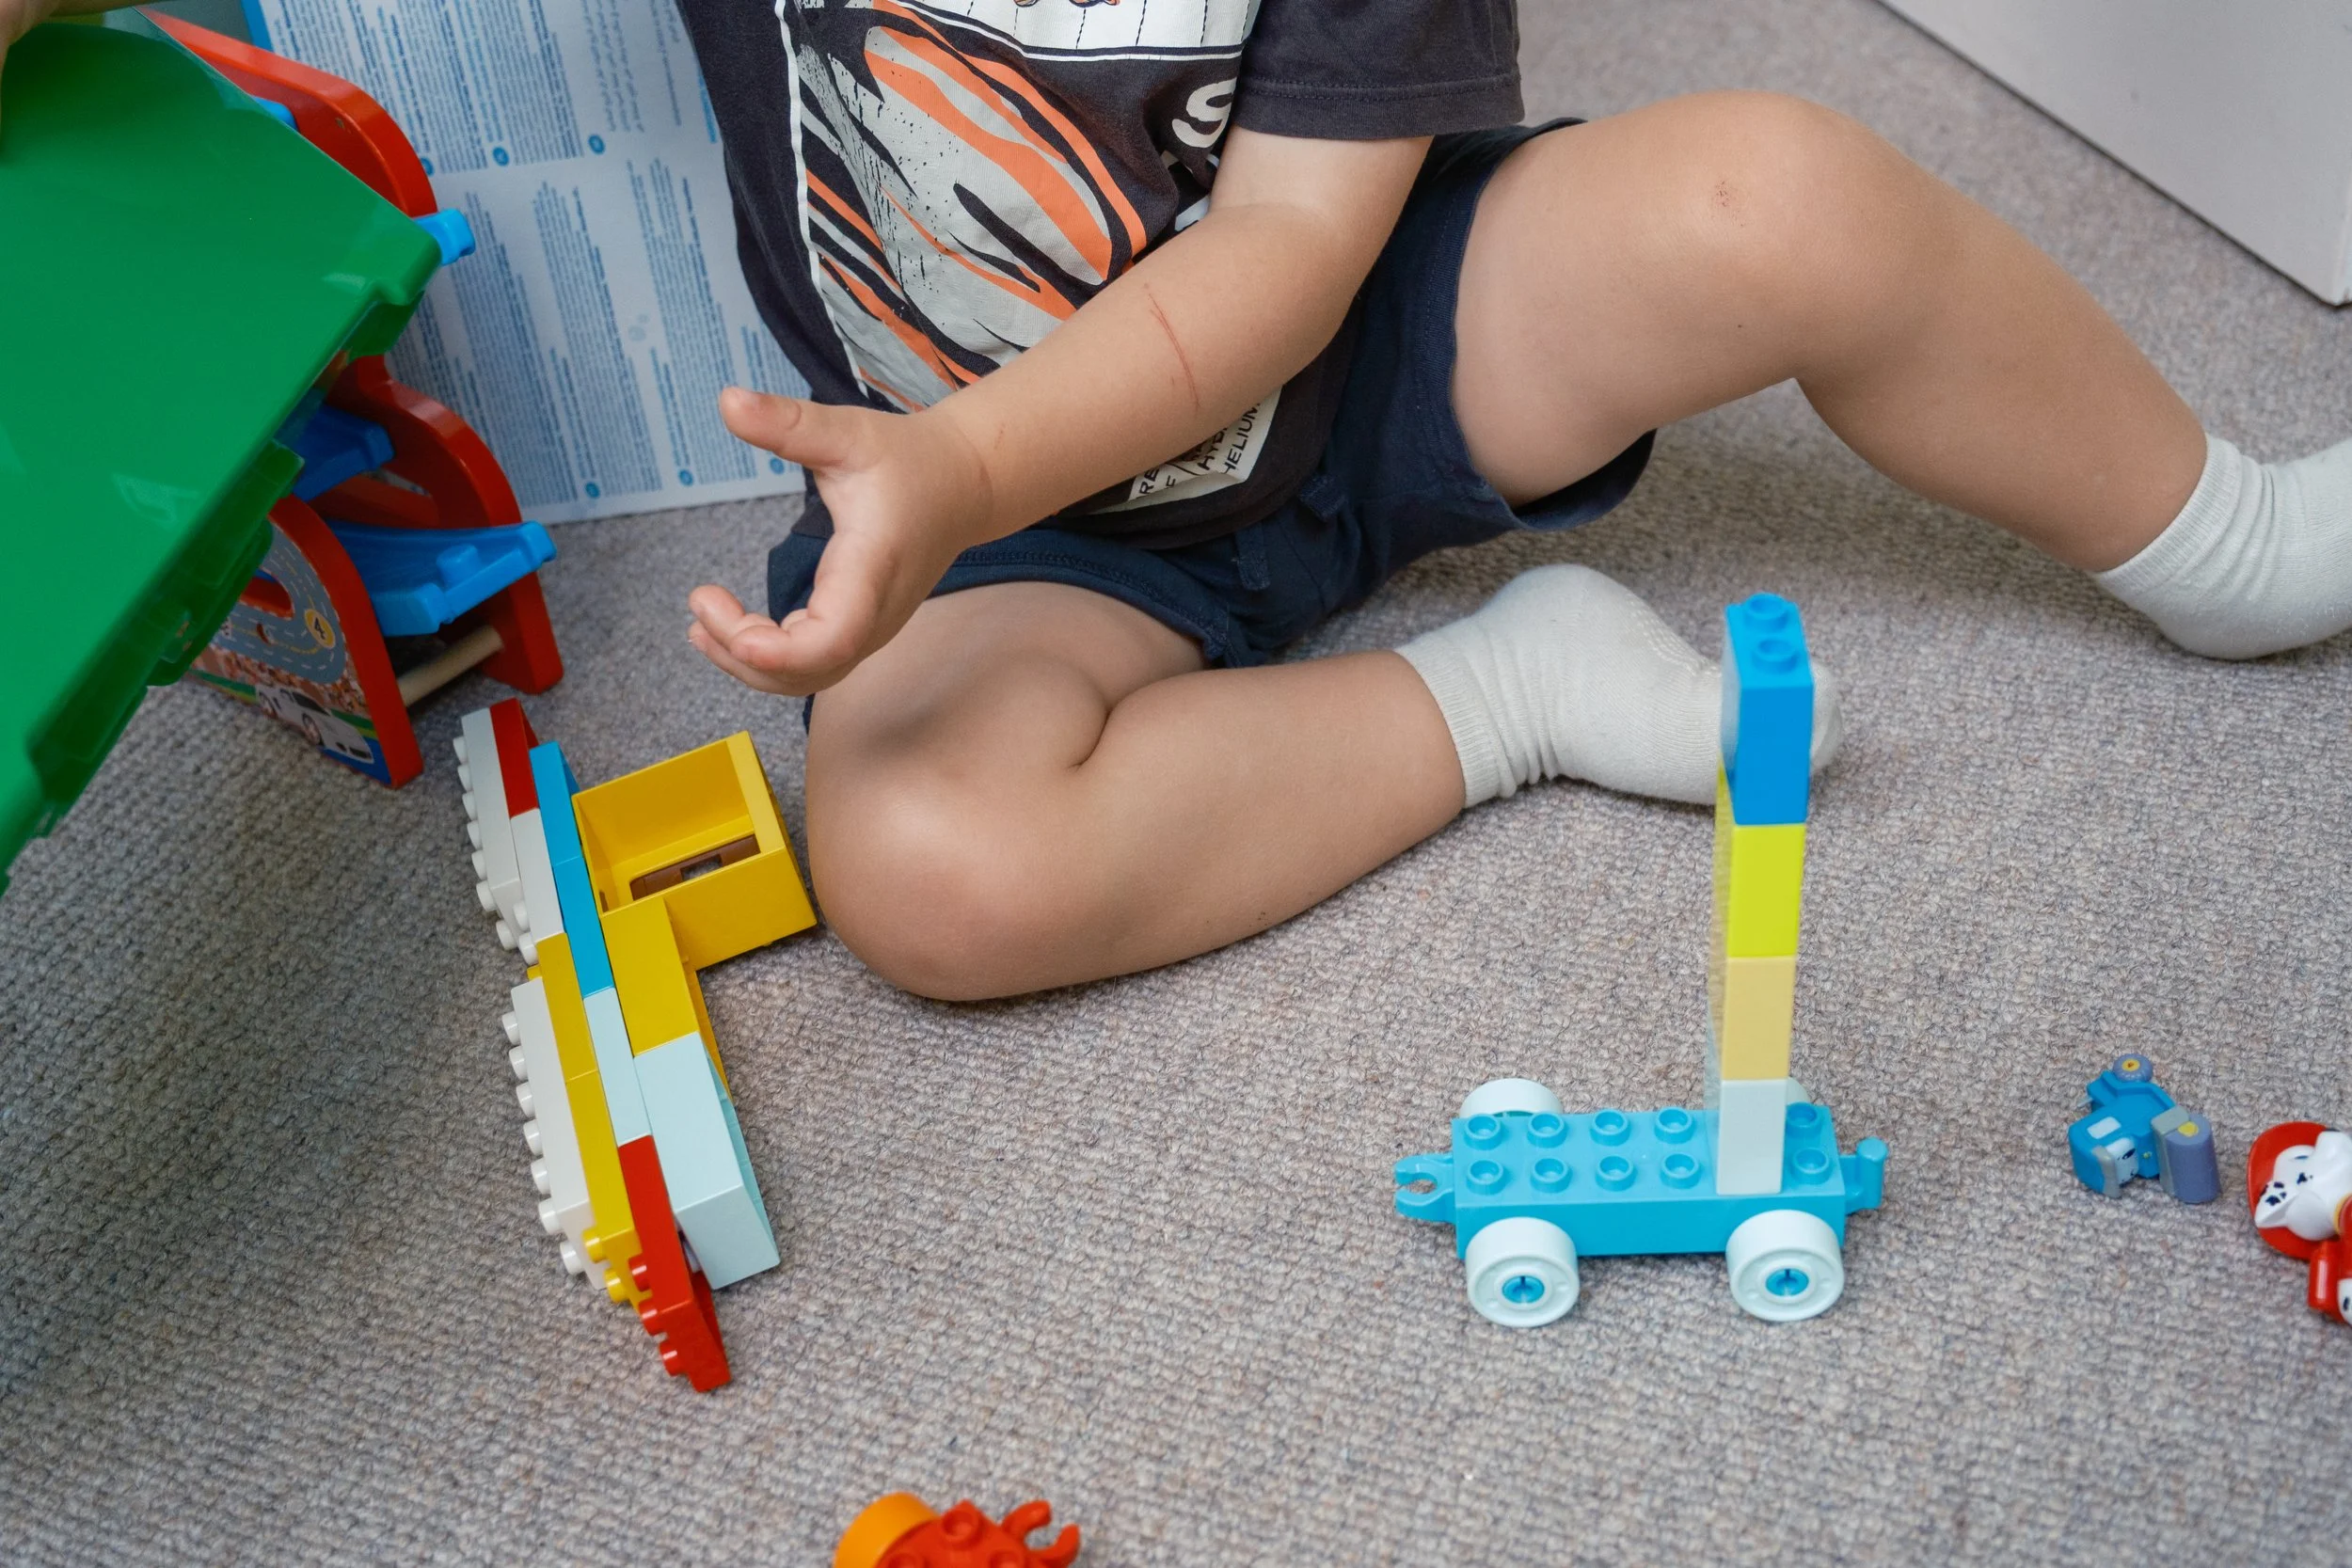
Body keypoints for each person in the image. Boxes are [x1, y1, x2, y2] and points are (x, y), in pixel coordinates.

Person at [12, 1, 2344, 1002]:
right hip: (1005, 538)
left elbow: (1290, 257)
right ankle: (1491, 697)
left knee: (1782, 190)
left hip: (1367, 352)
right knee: (926, 865)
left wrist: (955, 458)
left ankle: (2214, 537)